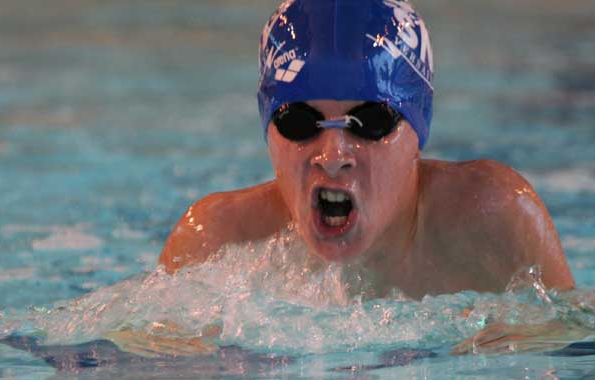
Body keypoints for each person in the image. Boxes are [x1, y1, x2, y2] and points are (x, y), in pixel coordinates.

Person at [158, 0, 574, 299]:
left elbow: (583, 351)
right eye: (299, 121)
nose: (333, 156)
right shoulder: (213, 248)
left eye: (371, 122)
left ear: (418, 130)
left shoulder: (495, 223)